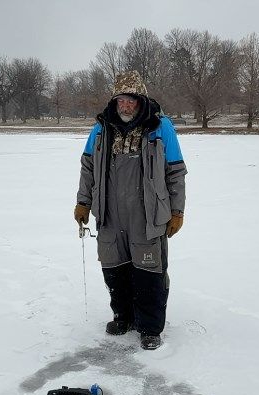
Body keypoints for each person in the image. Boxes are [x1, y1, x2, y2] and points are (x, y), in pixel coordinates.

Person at [74, 71, 187, 350]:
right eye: (120, 100)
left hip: (147, 214)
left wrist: (177, 211)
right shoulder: (101, 129)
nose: (125, 106)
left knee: (149, 270)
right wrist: (83, 202)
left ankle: (149, 327)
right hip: (110, 212)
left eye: (131, 101)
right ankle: (122, 316)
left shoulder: (160, 127)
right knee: (114, 267)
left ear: (141, 100)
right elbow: (88, 168)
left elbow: (175, 172)